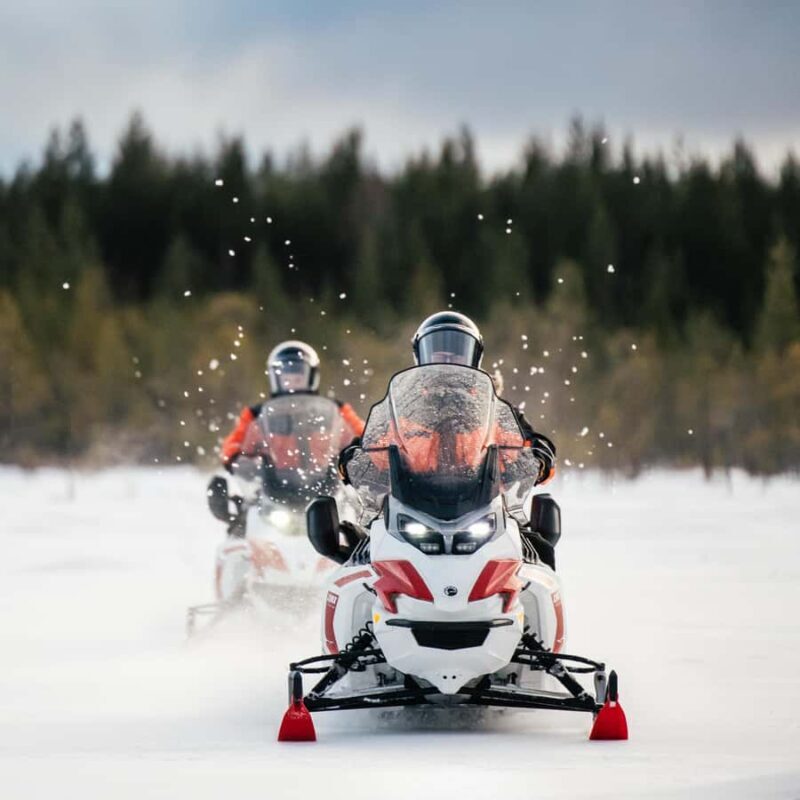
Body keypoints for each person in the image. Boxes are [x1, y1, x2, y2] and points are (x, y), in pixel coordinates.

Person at [209, 340, 364, 534]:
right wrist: (237, 458)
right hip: (274, 492)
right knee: (240, 535)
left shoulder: (336, 410)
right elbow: (233, 444)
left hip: (328, 489)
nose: (292, 381)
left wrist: (361, 452)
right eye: (286, 376)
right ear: (275, 377)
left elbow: (363, 436)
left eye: (298, 376)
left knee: (363, 528)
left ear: (311, 376)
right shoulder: (256, 415)